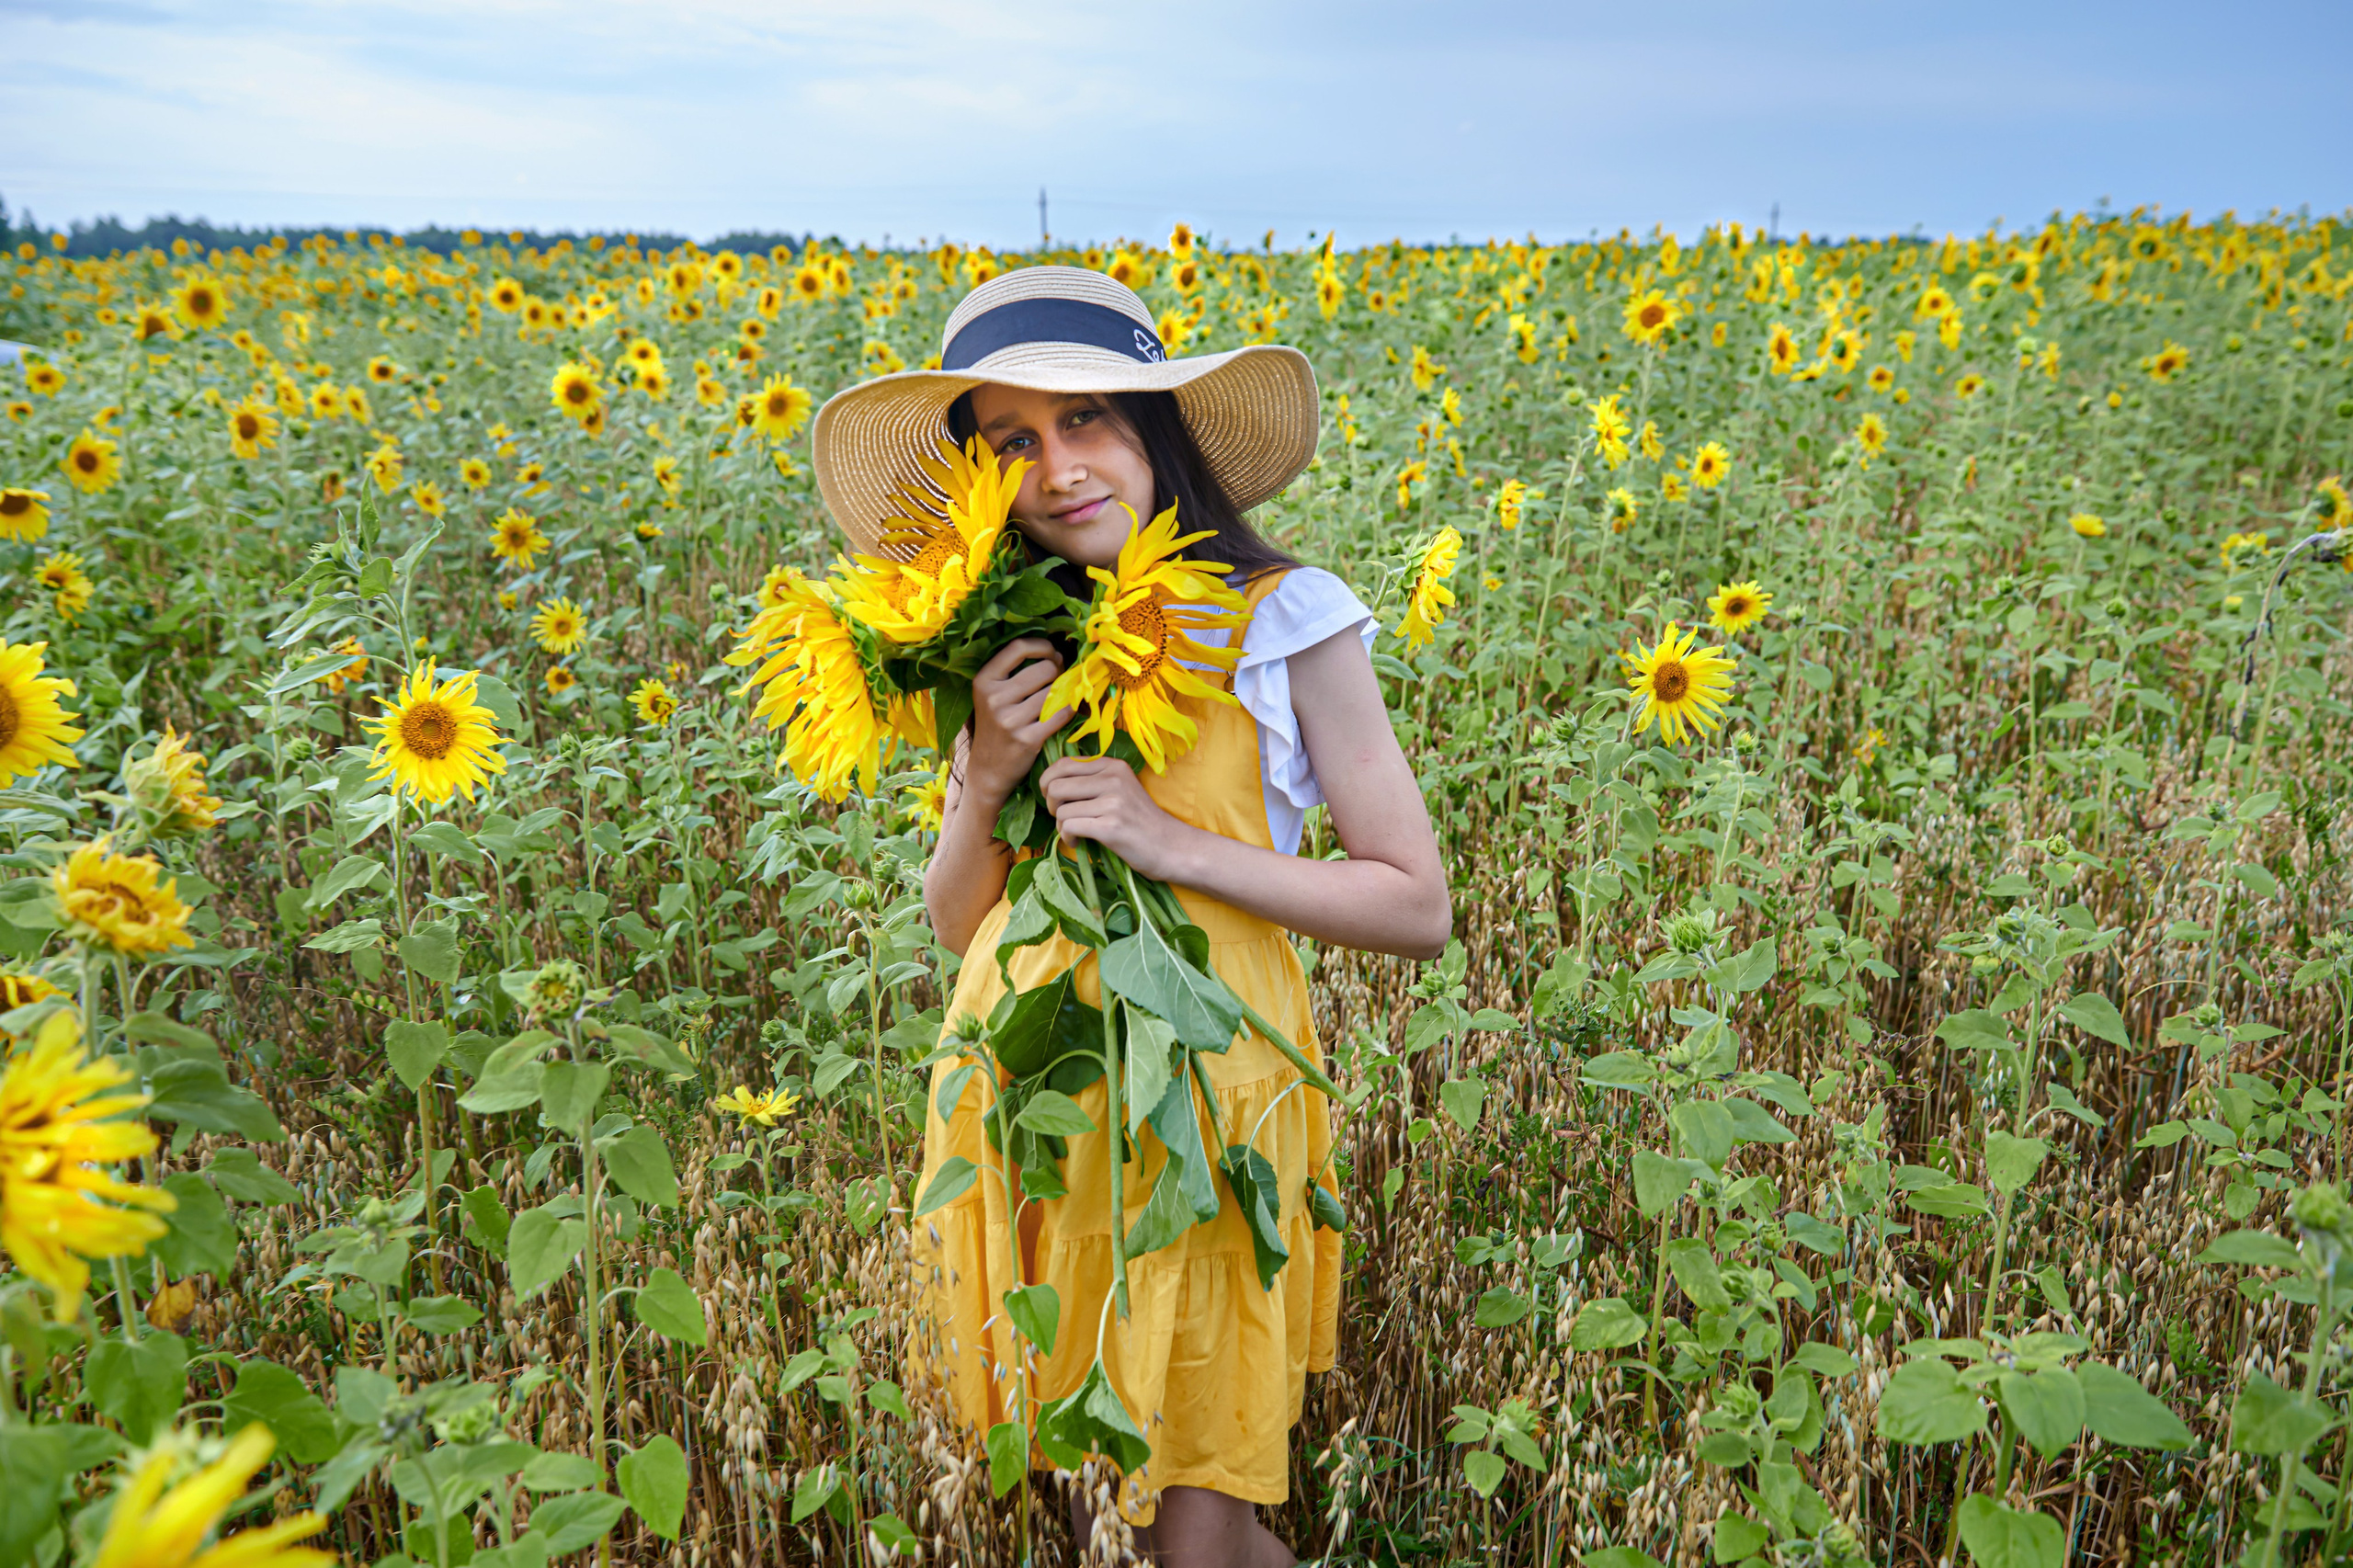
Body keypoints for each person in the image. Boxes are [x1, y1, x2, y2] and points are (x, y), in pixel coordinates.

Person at [809, 266, 1450, 1566]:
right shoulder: (993, 636)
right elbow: (957, 923)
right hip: (1029, 1103)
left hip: (1202, 1105)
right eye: (1013, 444)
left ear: (1159, 432)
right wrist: (985, 769)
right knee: (1096, 1516)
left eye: (1090, 418)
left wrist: (1170, 845)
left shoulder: (1285, 622)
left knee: (1196, 1524)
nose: (1058, 468)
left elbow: (1415, 901)